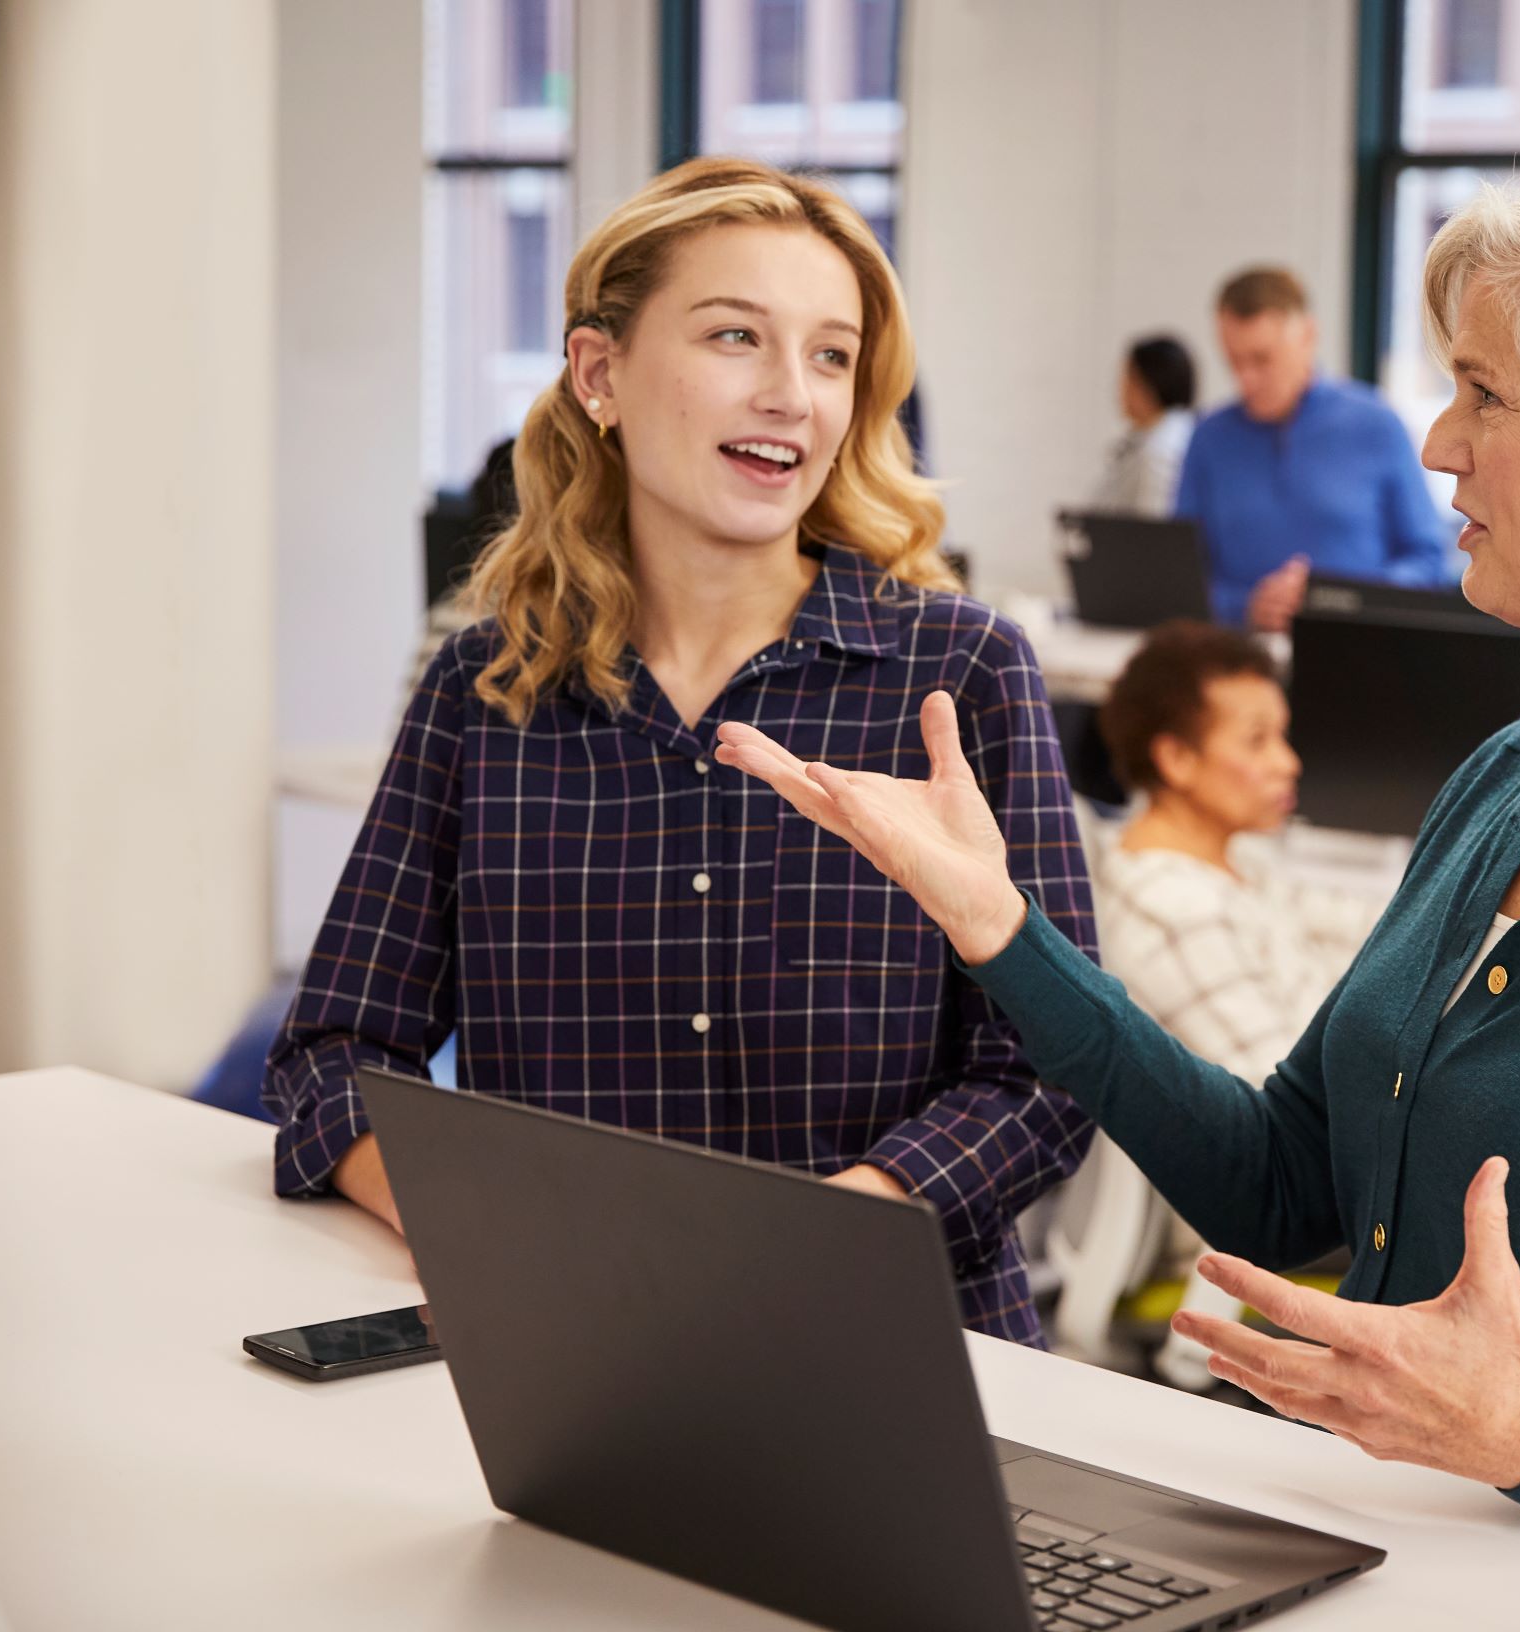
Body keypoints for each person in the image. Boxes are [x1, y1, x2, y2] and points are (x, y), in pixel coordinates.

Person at [716, 143, 1520, 1573]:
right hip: (1359, 1559)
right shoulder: (1516, 778)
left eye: (1488, 393)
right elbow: (1280, 1182)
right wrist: (998, 926)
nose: (1437, 444)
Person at [264, 157, 1098, 1345]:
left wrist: (824, 1239)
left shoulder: (960, 678)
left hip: (898, 1347)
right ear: (599, 371)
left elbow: (1052, 1074)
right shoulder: (483, 692)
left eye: (829, 356)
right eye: (734, 338)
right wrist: (490, 1231)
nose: (792, 397)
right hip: (572, 1360)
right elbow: (333, 1053)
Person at [1081, 621, 1383, 1386]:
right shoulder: (1173, 907)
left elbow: (1375, 934)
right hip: (1274, 1231)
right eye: (1255, 741)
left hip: (1322, 1195)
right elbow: (1285, 1127)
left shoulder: (1231, 871)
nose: (1287, 763)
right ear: (1175, 759)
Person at [1173, 267, 1454, 631]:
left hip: (1360, 652)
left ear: (1307, 336)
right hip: (1239, 659)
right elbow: (1180, 579)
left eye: (1261, 359)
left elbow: (1428, 561)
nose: (1246, 379)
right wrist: (1246, 607)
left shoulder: (1377, 426)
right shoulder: (1208, 438)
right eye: (1234, 361)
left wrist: (1346, 602)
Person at [1089, 334, 1197, 517]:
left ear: (1149, 384)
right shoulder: (1154, 438)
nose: (1121, 386)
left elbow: (1152, 530)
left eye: (1128, 377)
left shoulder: (1162, 451)